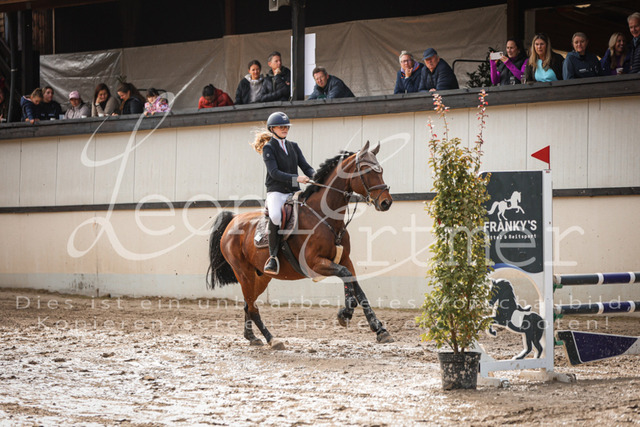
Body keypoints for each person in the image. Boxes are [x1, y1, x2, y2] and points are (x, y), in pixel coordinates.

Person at [250, 111, 315, 275]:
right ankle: (273, 257)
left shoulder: (294, 146)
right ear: (272, 129)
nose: (285, 129)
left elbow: (306, 167)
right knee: (275, 217)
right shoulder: (269, 148)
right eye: (281, 127)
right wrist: (297, 179)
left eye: (286, 126)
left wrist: (317, 177)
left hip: (294, 191)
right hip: (277, 191)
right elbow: (274, 173)